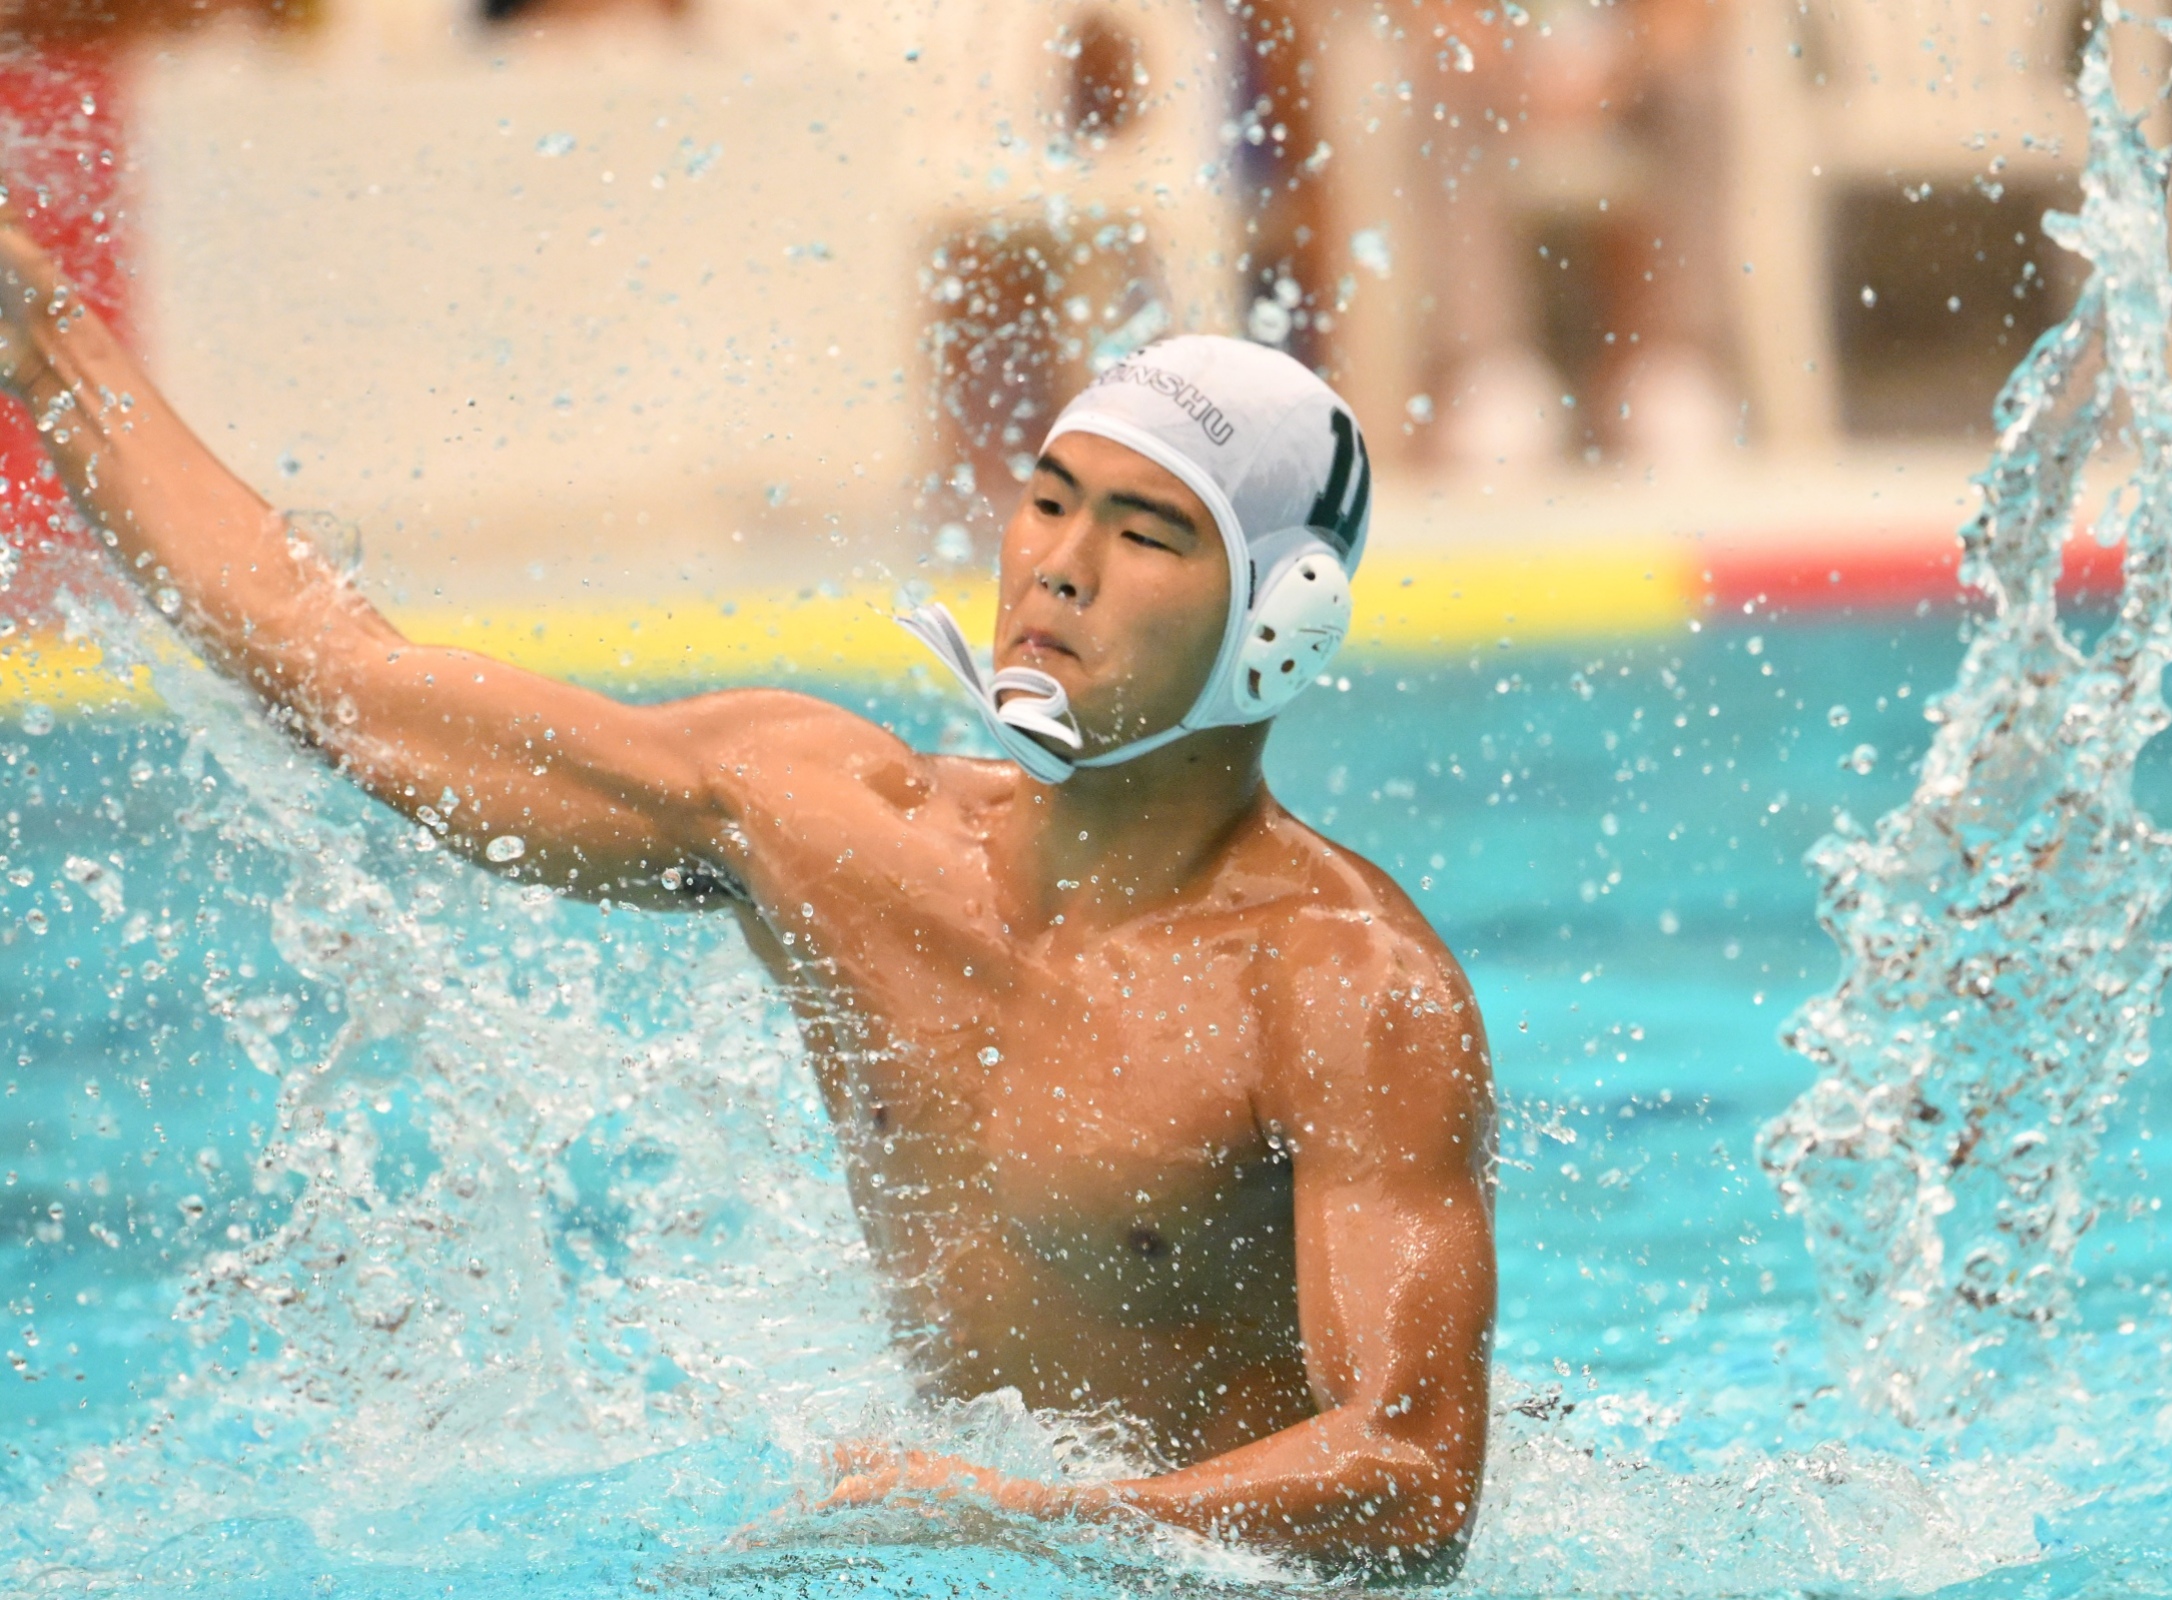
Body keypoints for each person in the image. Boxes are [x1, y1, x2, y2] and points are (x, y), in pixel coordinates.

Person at [0, 204, 1496, 1572]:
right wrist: (45, 337)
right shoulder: (837, 829)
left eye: (1147, 531)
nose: (1060, 565)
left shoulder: (1342, 990)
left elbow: (1416, 1480)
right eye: (1049, 502)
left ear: (1284, 621)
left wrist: (1026, 1522)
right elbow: (349, 682)